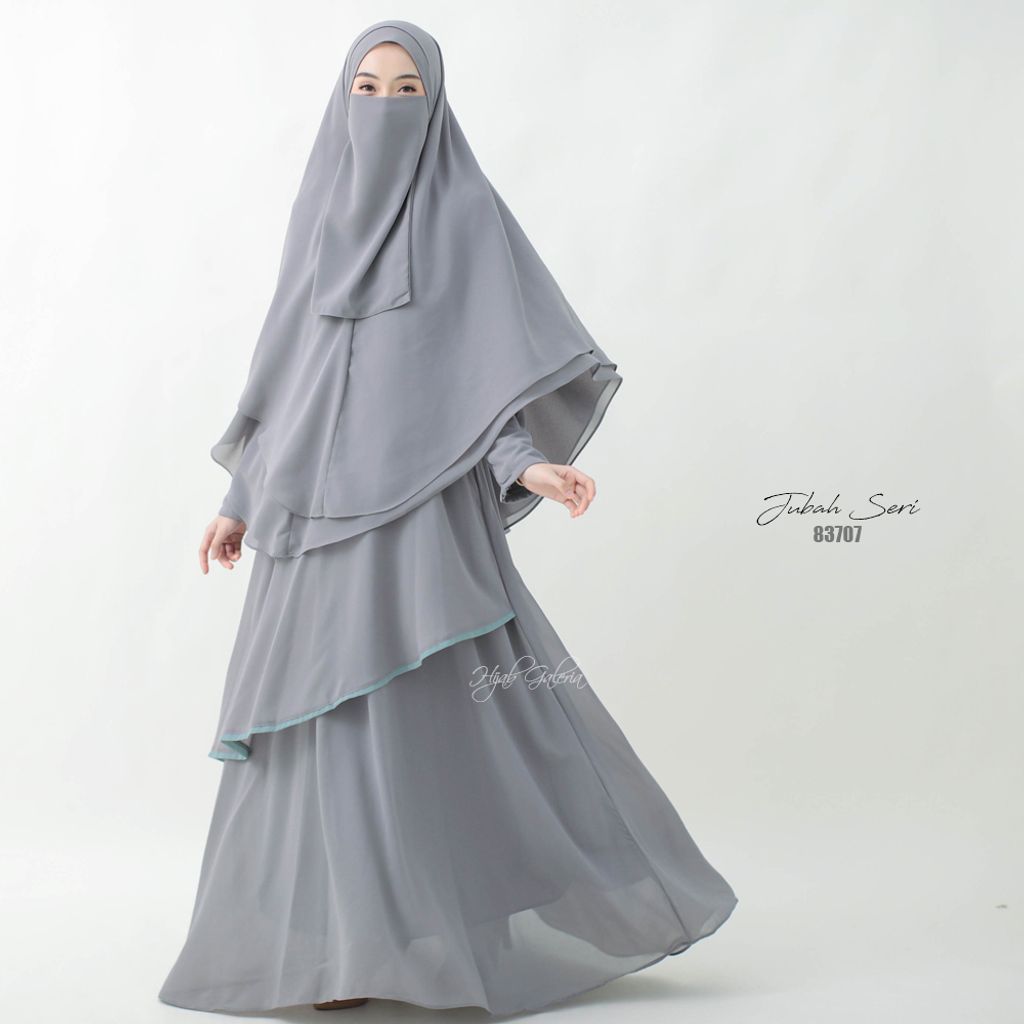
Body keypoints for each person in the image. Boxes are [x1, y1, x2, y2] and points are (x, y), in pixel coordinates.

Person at [158, 19, 738, 1017]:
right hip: (312, 527)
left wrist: (529, 465)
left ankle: (462, 937)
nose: (384, 108)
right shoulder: (320, 213)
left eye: (407, 91)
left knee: (438, 726)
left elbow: (484, 372)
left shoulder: (464, 211)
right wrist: (241, 498)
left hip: (424, 516)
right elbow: (291, 376)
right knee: (327, 730)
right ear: (342, 98)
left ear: (435, 106)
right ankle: (343, 952)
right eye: (367, 89)